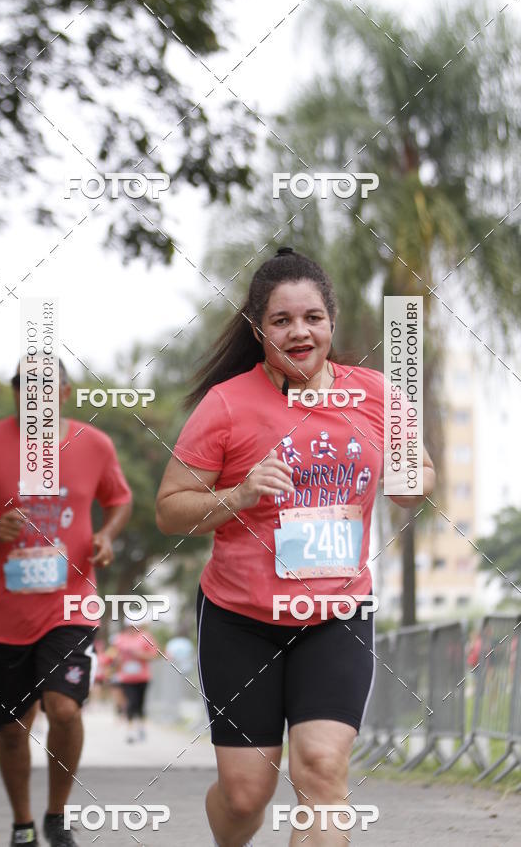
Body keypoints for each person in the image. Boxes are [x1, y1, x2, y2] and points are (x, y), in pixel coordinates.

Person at [156, 247, 435, 847]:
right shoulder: (227, 404)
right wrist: (240, 494)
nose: (299, 331)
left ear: (332, 322)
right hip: (240, 619)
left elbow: (420, 479)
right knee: (246, 794)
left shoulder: (378, 395)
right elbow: (169, 509)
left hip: (336, 614)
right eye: (281, 320)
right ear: (260, 332)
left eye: (312, 316)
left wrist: (407, 478)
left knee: (323, 771)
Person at [0, 359, 133, 847]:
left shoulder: (94, 445)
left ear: (65, 394)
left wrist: (107, 535)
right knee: (10, 729)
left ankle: (55, 815)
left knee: (64, 709)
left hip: (70, 603)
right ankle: (23, 824)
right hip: (3, 616)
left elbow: (120, 498)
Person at [110, 623, 158, 742]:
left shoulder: (146, 636)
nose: (132, 628)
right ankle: (130, 731)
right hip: (126, 678)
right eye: (130, 625)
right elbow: (112, 657)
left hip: (142, 677)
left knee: (140, 704)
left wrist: (139, 655)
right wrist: (117, 659)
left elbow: (154, 655)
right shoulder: (120, 638)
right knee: (131, 702)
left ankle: (141, 727)